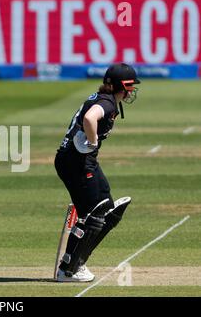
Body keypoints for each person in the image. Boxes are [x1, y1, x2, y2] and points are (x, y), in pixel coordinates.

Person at [54, 63, 140, 282]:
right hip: (77, 162)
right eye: (130, 86)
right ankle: (68, 269)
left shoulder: (105, 99)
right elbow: (90, 118)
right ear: (123, 86)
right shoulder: (106, 103)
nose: (132, 91)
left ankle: (78, 262)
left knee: (108, 208)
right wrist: (92, 141)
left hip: (81, 160)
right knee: (94, 214)